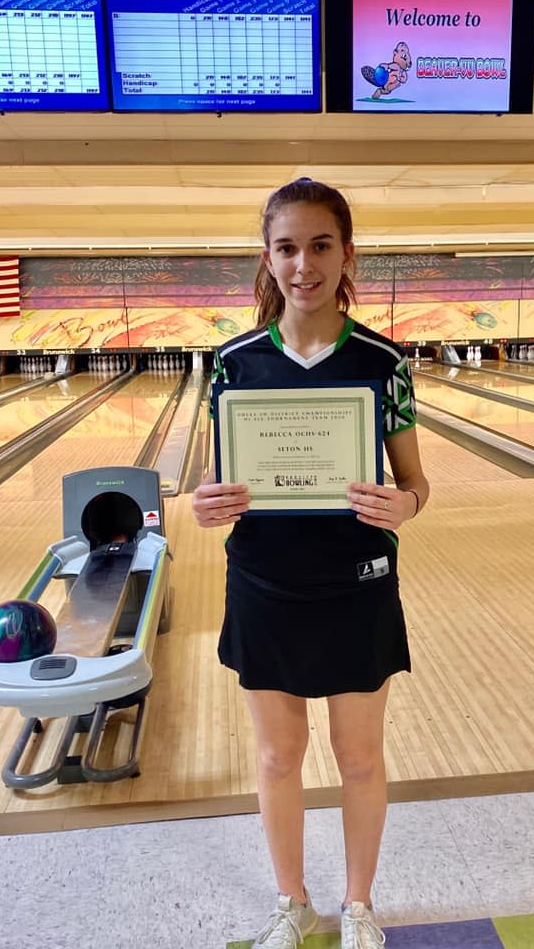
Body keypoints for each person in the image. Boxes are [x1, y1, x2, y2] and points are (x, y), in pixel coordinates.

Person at [192, 177, 429, 949]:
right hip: (263, 579)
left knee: (359, 757)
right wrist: (203, 503)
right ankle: (292, 903)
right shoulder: (231, 364)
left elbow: (415, 482)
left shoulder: (384, 362)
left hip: (356, 582)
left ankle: (358, 906)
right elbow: (221, 481)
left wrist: (408, 505)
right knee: (277, 754)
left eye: (321, 245)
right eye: (287, 247)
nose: (304, 264)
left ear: (346, 252)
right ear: (266, 257)